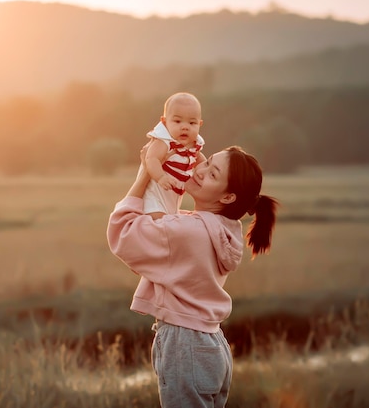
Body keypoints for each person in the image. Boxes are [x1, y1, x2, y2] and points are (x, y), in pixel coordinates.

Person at [107, 144, 278, 408]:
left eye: (213, 174)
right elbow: (161, 237)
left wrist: (145, 173)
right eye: (207, 161)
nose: (201, 170)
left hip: (185, 344)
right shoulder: (224, 228)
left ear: (228, 197)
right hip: (211, 343)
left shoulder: (188, 231)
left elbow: (122, 233)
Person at [142, 92, 207, 219]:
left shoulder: (194, 145)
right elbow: (151, 159)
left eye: (192, 123)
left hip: (173, 199)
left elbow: (200, 161)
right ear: (165, 122)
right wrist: (160, 177)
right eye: (177, 121)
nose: (184, 127)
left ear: (199, 124)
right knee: (160, 222)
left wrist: (206, 170)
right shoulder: (164, 141)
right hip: (154, 199)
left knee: (171, 221)